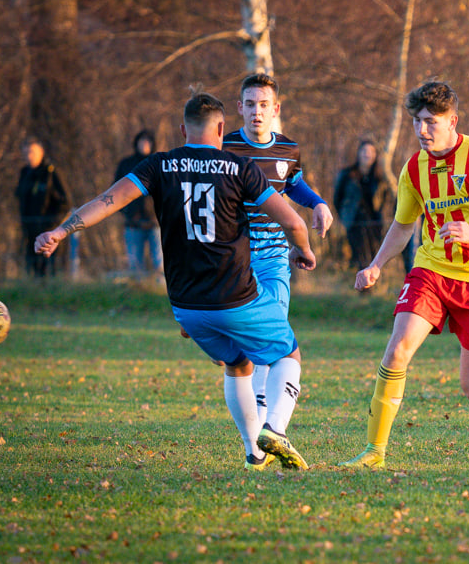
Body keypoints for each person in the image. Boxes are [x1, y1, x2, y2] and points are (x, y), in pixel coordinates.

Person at [34, 90, 317, 471]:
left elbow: (108, 200)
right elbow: (294, 222)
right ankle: (276, 430)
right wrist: (303, 251)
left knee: (237, 365)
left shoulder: (159, 165)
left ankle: (254, 453)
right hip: (235, 298)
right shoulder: (239, 167)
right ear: (221, 129)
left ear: (183, 129)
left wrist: (62, 231)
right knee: (288, 353)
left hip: (186, 308)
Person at [339, 81, 469, 469]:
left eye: (431, 122)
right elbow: (403, 225)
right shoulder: (414, 169)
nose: (422, 130)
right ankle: (374, 452)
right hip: (432, 271)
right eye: (417, 122)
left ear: (453, 121)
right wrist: (377, 264)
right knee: (397, 350)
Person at [221, 73, 333, 470]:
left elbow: (294, 184)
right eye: (249, 104)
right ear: (239, 108)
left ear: (276, 109)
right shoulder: (224, 147)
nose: (256, 111)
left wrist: (317, 203)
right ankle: (262, 438)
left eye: (263, 105)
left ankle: (261, 443)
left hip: (273, 262)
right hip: (234, 262)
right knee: (250, 354)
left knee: (270, 343)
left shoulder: (288, 148)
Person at [15, 137, 70, 277]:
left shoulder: (51, 173)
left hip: (48, 230)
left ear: (41, 152)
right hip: (29, 227)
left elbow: (65, 202)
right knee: (33, 266)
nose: (29, 156)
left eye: (32, 152)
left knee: (50, 267)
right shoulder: (24, 173)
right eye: (26, 153)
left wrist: (54, 225)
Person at [114, 130, 163, 278]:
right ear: (136, 143)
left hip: (155, 222)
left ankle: (161, 293)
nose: (145, 145)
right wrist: (127, 211)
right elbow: (115, 190)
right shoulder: (126, 164)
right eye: (142, 141)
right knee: (135, 265)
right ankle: (138, 291)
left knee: (160, 263)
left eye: (148, 141)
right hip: (133, 222)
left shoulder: (159, 163)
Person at [334, 139, 388, 270]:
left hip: (374, 223)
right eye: (364, 151)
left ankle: (371, 284)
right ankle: (363, 287)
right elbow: (337, 198)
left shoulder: (380, 178)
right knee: (360, 255)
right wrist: (344, 217)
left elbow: (383, 200)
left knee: (374, 254)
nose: (367, 154)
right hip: (354, 222)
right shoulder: (347, 174)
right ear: (358, 153)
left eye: (371, 151)